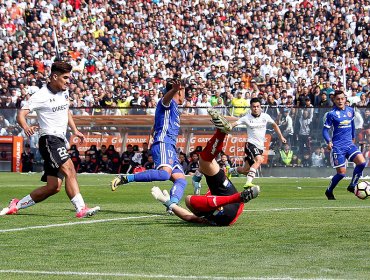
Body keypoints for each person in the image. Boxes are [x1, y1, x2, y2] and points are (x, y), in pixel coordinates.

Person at [0, 62, 100, 218]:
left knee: (53, 187)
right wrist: (26, 127)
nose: (68, 81)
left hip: (59, 140)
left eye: (69, 78)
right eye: (65, 78)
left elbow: (66, 111)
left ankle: (16, 205)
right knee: (70, 169)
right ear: (54, 76)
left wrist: (74, 130)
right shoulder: (41, 95)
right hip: (49, 140)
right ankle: (81, 208)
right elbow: (21, 115)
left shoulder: (64, 92)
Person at [151, 110, 259, 226]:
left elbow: (189, 217)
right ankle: (240, 196)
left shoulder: (203, 211)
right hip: (229, 210)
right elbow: (189, 217)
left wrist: (166, 202)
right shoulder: (206, 209)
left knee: (206, 162)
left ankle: (221, 132)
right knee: (190, 197)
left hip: (228, 204)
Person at [111, 78, 187, 206]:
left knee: (181, 180)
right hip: (164, 143)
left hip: (170, 147)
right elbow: (165, 100)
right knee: (164, 175)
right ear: (179, 91)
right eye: (184, 92)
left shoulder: (173, 109)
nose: (185, 96)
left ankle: (172, 205)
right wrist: (174, 89)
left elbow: (158, 123)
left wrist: (152, 132)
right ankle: (126, 178)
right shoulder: (167, 103)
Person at [227, 98, 287, 188]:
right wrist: (227, 126)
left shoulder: (265, 116)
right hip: (250, 144)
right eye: (254, 106)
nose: (256, 108)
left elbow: (274, 125)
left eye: (257, 106)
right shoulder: (246, 118)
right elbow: (234, 124)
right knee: (259, 160)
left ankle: (230, 171)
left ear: (260, 107)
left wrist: (281, 136)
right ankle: (248, 183)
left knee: (245, 170)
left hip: (260, 147)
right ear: (250, 107)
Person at [323, 90, 366, 200]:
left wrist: (353, 138)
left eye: (342, 98)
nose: (340, 101)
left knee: (362, 163)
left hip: (349, 144)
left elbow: (352, 125)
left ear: (345, 99)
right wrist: (329, 141)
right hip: (338, 147)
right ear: (334, 100)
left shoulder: (350, 111)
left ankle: (352, 185)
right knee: (341, 174)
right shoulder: (331, 114)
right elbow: (325, 131)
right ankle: (329, 191)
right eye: (338, 99)